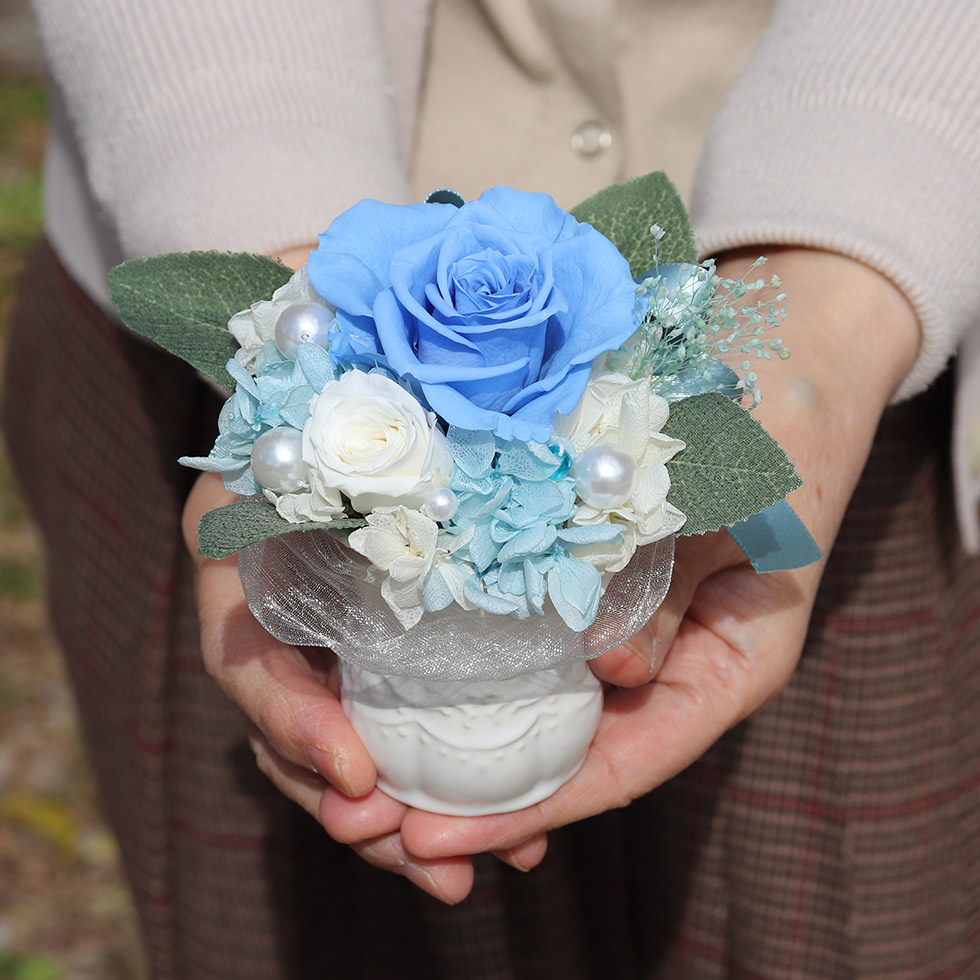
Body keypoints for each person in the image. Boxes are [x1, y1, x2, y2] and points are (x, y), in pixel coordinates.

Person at [4, 0, 980, 976]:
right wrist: (287, 304)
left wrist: (839, 299)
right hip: (244, 358)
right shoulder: (291, 424)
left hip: (847, 353)